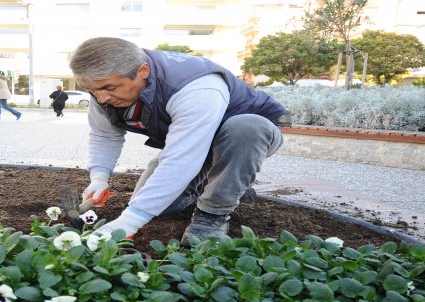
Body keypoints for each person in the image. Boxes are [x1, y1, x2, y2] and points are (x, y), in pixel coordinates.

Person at [69, 37, 291, 246]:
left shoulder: (195, 86)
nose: (101, 98)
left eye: (109, 88)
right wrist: (99, 178)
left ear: (142, 71)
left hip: (247, 137)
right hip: (191, 143)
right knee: (155, 205)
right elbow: (105, 135)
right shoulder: (105, 89)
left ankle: (212, 213)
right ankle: (226, 186)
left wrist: (128, 223)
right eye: (92, 90)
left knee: (245, 127)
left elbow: (181, 159)